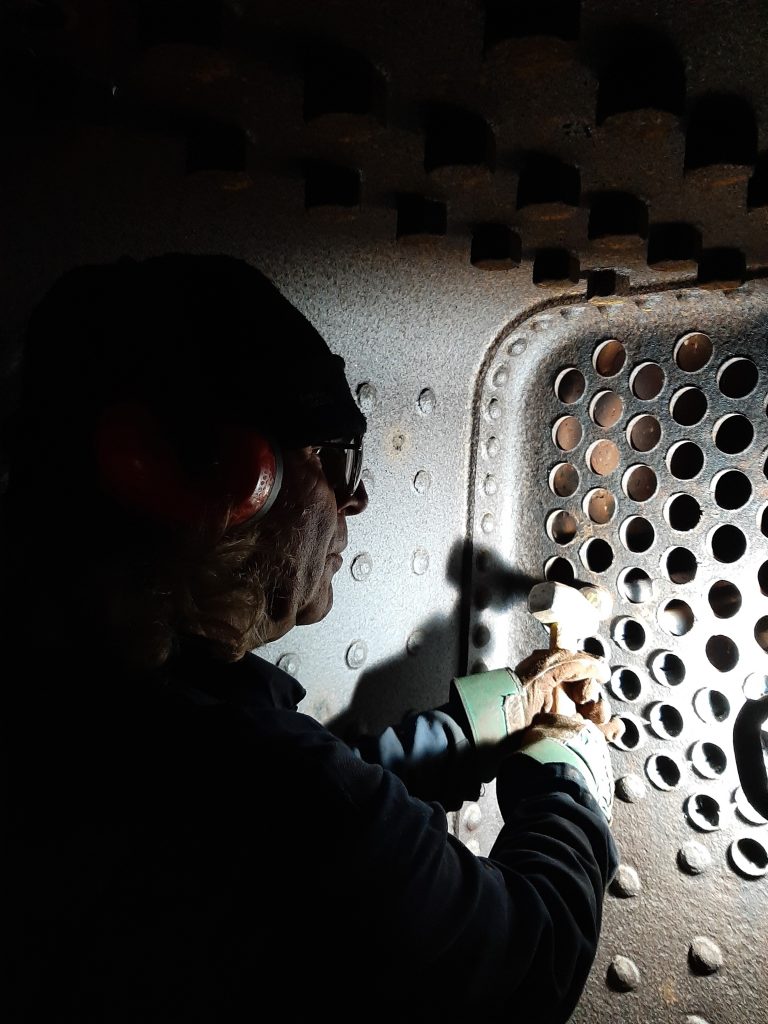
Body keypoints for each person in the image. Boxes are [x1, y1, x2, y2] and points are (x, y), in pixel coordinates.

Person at [3, 253, 622, 1023]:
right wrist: (568, 768)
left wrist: (501, 712)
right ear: (230, 473)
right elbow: (525, 959)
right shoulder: (262, 792)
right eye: (333, 457)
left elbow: (327, 787)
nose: (355, 497)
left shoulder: (86, 692)